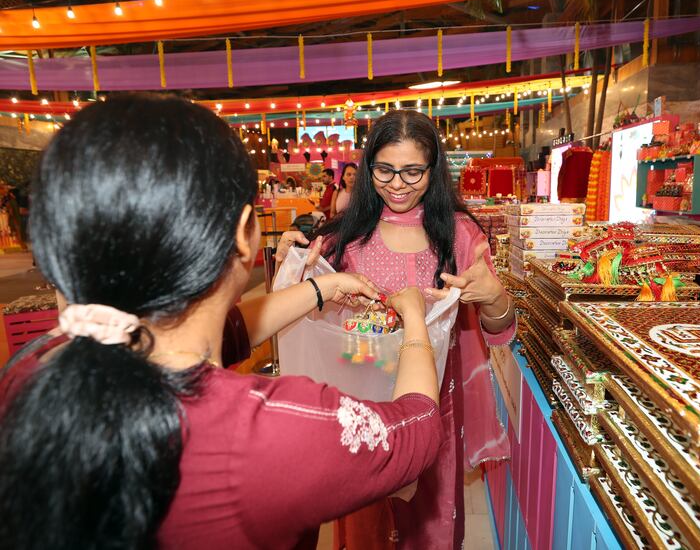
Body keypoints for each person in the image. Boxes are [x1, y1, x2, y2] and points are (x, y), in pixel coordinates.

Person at [0, 95, 445, 550]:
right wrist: (413, 318)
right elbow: (419, 427)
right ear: (242, 233)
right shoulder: (277, 427)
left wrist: (321, 289)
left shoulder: (32, 371)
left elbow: (226, 331)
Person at [312, 110, 516, 550]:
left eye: (412, 171)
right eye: (384, 170)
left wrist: (495, 299)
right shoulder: (343, 239)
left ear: (434, 170)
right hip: (363, 404)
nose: (397, 184)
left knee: (431, 522)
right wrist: (303, 275)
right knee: (368, 526)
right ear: (367, 169)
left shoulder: (459, 236)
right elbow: (313, 323)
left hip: (434, 404)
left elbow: (500, 331)